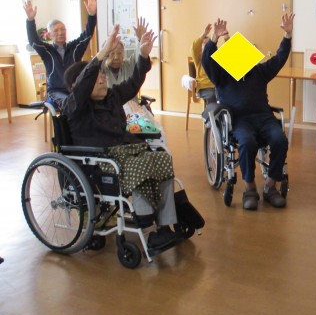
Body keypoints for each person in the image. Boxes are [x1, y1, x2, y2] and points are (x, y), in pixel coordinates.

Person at [62, 25, 180, 249]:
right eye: (96, 78)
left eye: (102, 76)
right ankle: (147, 228)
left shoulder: (112, 96)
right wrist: (103, 51)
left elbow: (134, 81)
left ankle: (165, 226)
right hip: (100, 160)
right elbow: (84, 82)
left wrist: (142, 55)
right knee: (140, 166)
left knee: (162, 158)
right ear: (80, 85)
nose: (102, 79)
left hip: (125, 153)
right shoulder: (75, 106)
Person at [202, 14, 295, 211]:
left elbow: (279, 59)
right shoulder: (222, 75)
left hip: (264, 117)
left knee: (280, 139)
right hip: (239, 120)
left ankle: (270, 186)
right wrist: (213, 39)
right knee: (247, 142)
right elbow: (207, 62)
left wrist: (287, 35)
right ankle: (250, 188)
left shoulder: (258, 72)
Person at [24, 0, 97, 108]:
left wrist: (92, 16)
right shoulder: (46, 51)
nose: (60, 33)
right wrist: (30, 20)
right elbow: (33, 41)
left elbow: (87, 35)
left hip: (74, 88)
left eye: (63, 29)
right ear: (49, 35)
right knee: (69, 102)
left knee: (92, 100)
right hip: (56, 91)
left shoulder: (75, 47)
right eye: (56, 30)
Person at [190, 23, 217, 105]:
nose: (206, 46)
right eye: (204, 44)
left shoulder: (216, 57)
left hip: (217, 86)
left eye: (208, 44)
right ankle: (211, 113)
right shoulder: (199, 59)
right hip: (204, 87)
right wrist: (204, 34)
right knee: (212, 95)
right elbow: (194, 48)